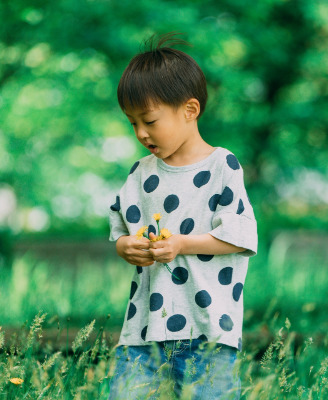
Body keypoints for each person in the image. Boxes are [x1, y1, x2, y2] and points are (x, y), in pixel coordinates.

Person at [107, 31, 258, 400]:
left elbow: (240, 237)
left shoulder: (223, 166)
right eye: (132, 123)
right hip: (144, 327)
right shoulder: (140, 173)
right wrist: (127, 246)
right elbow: (121, 232)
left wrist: (182, 244)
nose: (141, 133)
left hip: (208, 329)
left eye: (149, 120)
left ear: (189, 110)